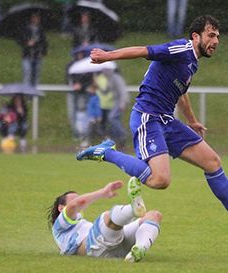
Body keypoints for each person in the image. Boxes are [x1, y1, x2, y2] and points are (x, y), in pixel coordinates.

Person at [76, 15, 228, 211]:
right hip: (148, 117)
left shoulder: (192, 61)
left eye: (217, 36)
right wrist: (107, 56)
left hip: (167, 121)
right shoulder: (181, 48)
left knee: (213, 162)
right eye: (211, 35)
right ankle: (106, 153)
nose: (215, 41)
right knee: (160, 179)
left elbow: (181, 93)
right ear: (195, 36)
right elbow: (143, 50)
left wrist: (192, 121)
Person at [47, 177, 162, 262]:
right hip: (94, 248)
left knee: (154, 215)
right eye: (73, 199)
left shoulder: (80, 224)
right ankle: (132, 209)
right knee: (107, 217)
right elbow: (75, 205)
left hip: (115, 248)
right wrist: (103, 192)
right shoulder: (59, 225)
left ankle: (139, 249)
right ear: (61, 208)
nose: (78, 201)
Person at [18, 13, 48, 86]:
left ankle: (35, 93)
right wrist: (27, 43)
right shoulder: (25, 29)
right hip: (27, 55)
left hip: (37, 55)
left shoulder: (41, 30)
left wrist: (43, 52)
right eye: (34, 18)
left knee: (36, 75)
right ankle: (26, 91)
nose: (36, 19)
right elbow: (20, 40)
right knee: (27, 74)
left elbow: (44, 42)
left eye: (38, 18)